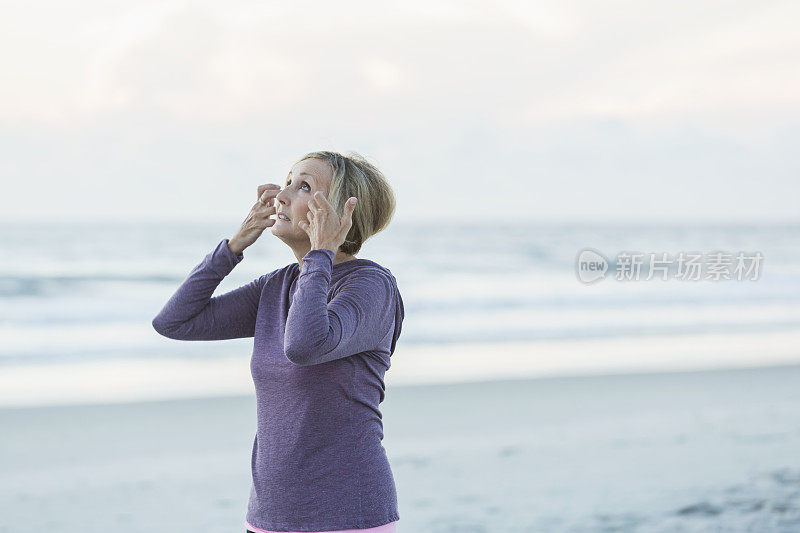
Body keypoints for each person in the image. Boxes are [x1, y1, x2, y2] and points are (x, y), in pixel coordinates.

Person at [152, 151, 404, 533]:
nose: (281, 195)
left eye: (303, 186)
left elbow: (304, 345)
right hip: (269, 515)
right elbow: (175, 321)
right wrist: (234, 246)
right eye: (287, 180)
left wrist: (320, 253)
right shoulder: (279, 284)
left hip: (347, 514)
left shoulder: (370, 286)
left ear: (341, 214)